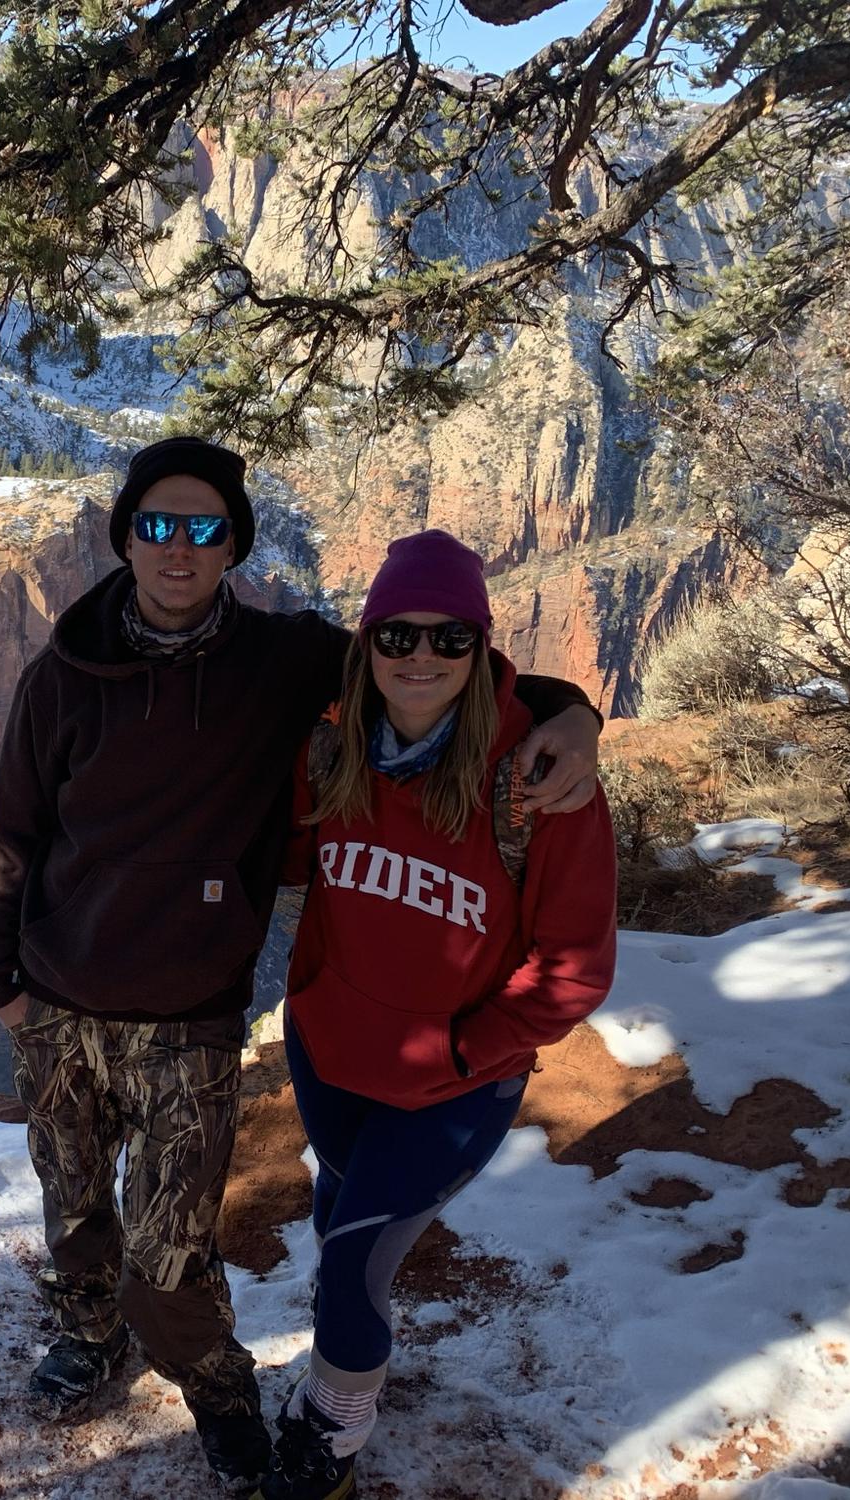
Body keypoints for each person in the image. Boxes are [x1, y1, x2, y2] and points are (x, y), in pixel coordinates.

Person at [0, 438, 605, 1495]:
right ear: (124, 535)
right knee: (73, 1213)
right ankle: (90, 1338)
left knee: (170, 1258)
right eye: (155, 525)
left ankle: (218, 1390)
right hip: (58, 996)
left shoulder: (283, 661)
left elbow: (426, 663)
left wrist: (568, 710)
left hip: (191, 1014)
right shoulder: (60, 677)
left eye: (204, 528)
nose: (177, 547)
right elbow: (8, 824)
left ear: (232, 547)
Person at [262, 530, 619, 1500]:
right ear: (366, 642)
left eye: (450, 638)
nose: (420, 655)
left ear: (481, 649)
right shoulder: (329, 747)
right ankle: (341, 1366)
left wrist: (471, 1046)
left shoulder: (538, 784)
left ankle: (332, 1436)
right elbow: (287, 864)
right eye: (397, 635)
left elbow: (574, 970)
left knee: (348, 1265)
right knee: (337, 1217)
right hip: (328, 1052)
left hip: (451, 1085)